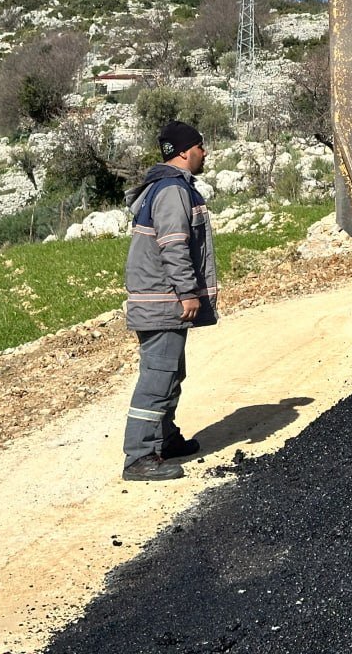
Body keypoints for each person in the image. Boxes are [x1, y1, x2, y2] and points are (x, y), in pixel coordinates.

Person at [120, 120, 218, 482]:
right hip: (163, 302)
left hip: (161, 301)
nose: (204, 153)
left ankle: (165, 440)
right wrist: (187, 292)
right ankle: (139, 457)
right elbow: (174, 245)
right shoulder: (173, 190)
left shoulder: (162, 187)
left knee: (172, 373)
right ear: (185, 152)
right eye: (200, 146)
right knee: (158, 378)